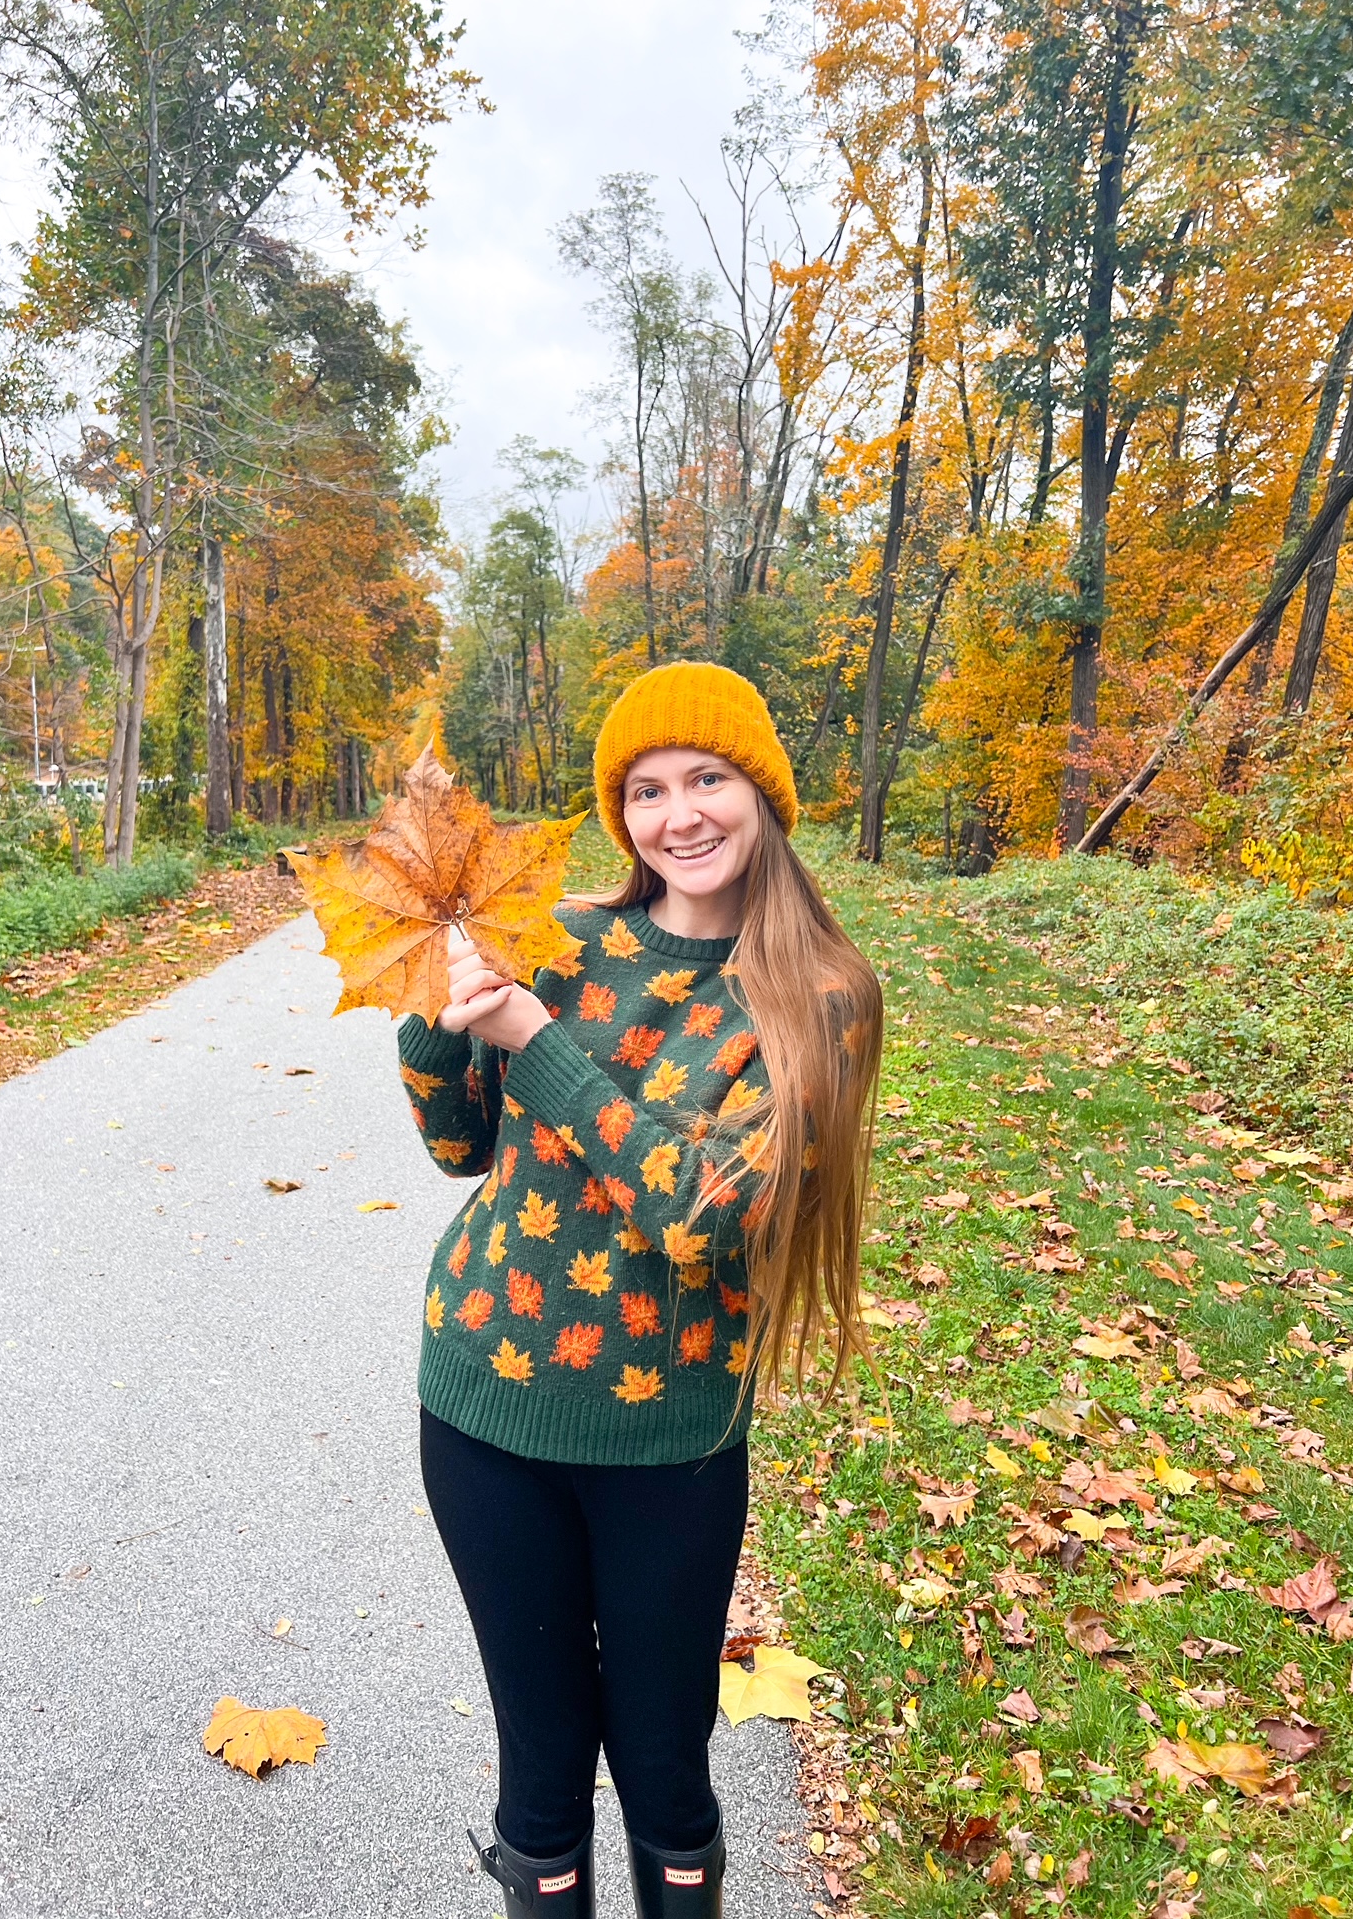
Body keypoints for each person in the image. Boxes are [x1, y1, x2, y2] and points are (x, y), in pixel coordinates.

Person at [396, 662, 883, 1917]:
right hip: (483, 1410)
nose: (682, 815)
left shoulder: (818, 996)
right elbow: (458, 1145)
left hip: (669, 1437)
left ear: (762, 795)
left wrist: (538, 1048)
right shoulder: (567, 941)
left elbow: (707, 1218)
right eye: (649, 789)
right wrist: (438, 1014)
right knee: (541, 1768)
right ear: (624, 817)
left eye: (708, 778)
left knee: (664, 1765)